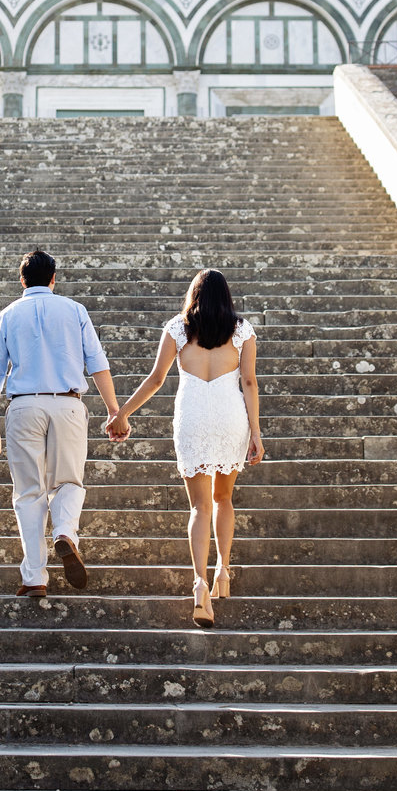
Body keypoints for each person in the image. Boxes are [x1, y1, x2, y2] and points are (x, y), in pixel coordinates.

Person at [105, 268, 262, 627]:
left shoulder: (178, 327)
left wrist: (122, 414)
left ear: (193, 295)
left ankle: (200, 584)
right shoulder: (242, 330)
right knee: (224, 498)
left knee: (199, 506)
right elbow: (250, 382)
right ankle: (223, 570)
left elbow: (157, 378)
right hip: (229, 418)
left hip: (192, 418)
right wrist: (256, 432)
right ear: (226, 297)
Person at [0, 248, 125, 596]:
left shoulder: (8, 314)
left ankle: (35, 578)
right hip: (68, 404)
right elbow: (97, 362)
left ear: (22, 280)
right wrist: (114, 410)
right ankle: (65, 532)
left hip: (24, 407)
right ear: (53, 278)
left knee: (29, 493)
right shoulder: (74, 310)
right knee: (69, 482)